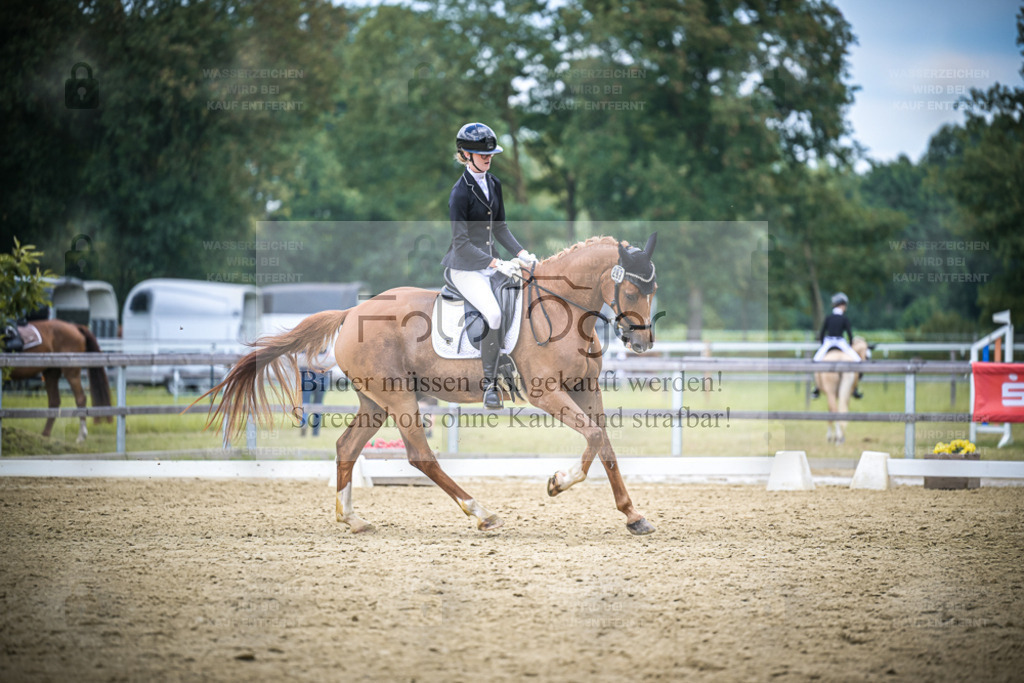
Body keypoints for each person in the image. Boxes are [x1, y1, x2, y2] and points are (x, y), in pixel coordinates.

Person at [441, 122, 538, 410]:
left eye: (490, 155)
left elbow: (500, 227)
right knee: (494, 314)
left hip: (492, 264)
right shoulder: (459, 193)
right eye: (482, 154)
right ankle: (489, 386)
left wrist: (522, 253)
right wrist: (497, 262)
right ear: (465, 155)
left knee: (523, 301)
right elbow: (460, 243)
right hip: (464, 268)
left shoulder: (494, 183)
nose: (488, 158)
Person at [811, 292, 863, 399]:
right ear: (842, 305)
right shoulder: (844, 319)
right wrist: (849, 345)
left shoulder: (828, 318)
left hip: (828, 342)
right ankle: (855, 387)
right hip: (840, 342)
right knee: (857, 360)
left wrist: (823, 345)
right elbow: (850, 334)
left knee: (816, 360)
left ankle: (816, 387)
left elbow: (822, 333)